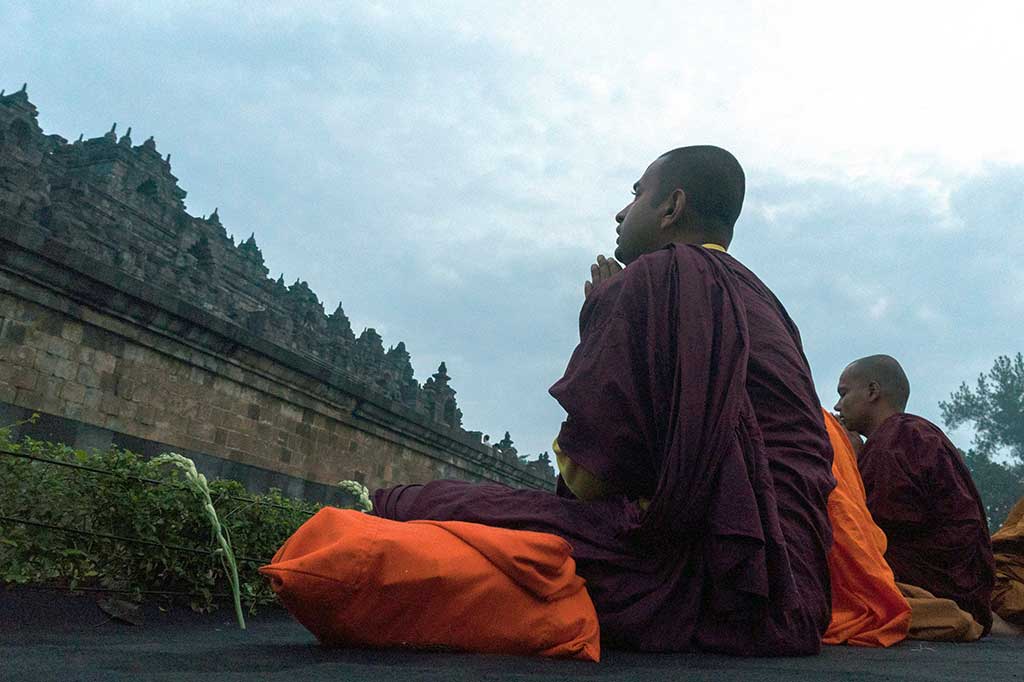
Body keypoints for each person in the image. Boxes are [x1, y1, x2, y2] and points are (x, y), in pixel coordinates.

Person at [373, 146, 836, 655]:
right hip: (796, 588)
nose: (620, 212)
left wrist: (600, 319)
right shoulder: (767, 302)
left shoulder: (656, 281)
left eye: (636, 193)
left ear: (671, 207)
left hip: (706, 580)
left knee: (419, 504)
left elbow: (589, 478)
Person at [834, 355, 994, 641]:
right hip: (964, 583)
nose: (837, 406)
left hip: (940, 585)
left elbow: (873, 530)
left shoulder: (896, 441)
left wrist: (849, 465)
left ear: (872, 391)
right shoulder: (910, 434)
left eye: (843, 393)